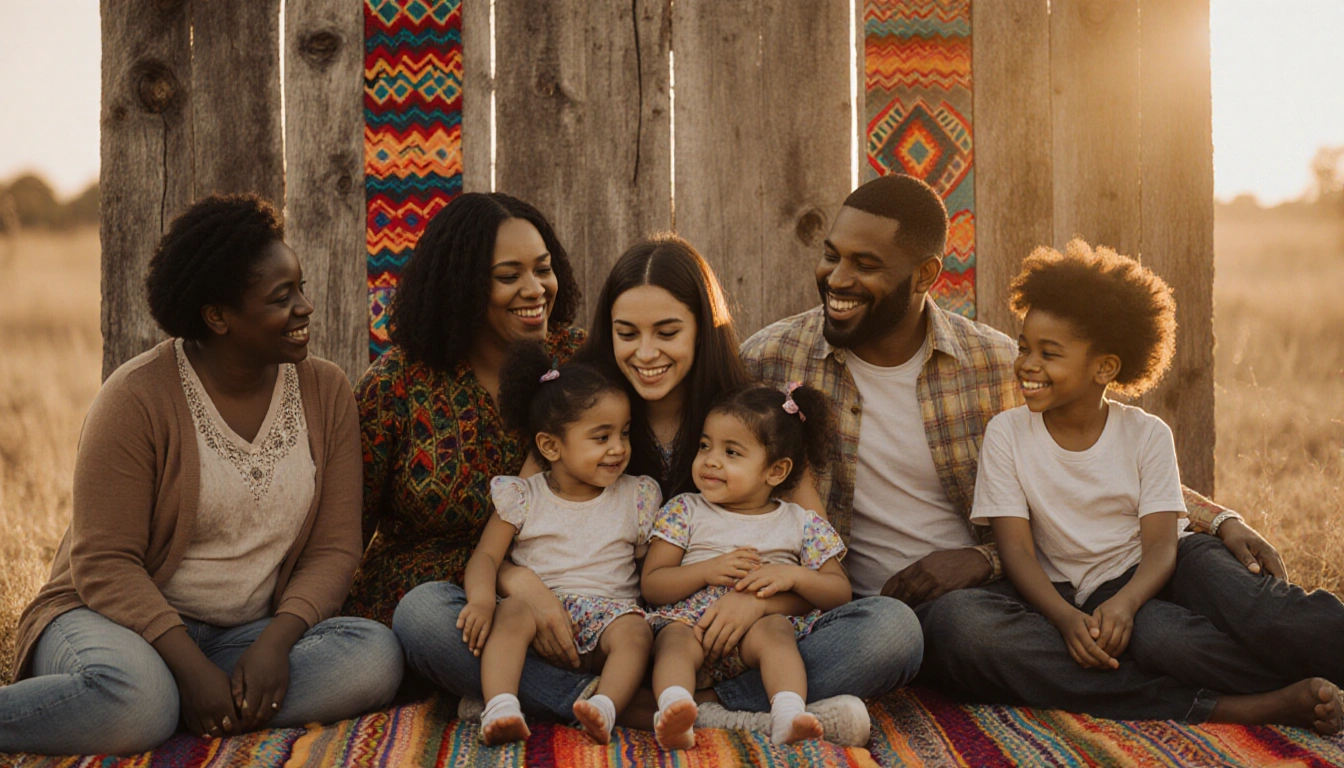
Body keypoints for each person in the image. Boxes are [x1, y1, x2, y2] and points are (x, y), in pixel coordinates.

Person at [740, 172, 1304, 722]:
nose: (837, 278)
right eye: (832, 255)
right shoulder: (772, 360)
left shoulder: (992, 364)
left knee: (976, 626)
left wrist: (1218, 518)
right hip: (855, 613)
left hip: (994, 591)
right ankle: (1211, 703)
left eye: (865, 265)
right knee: (938, 635)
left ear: (924, 275)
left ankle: (1229, 683)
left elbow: (1103, 454)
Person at [396, 234, 919, 746]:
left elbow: (814, 557)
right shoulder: (582, 407)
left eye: (667, 332)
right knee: (423, 616)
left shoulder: (748, 416)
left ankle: (601, 702)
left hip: (730, 642)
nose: (646, 353)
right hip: (595, 632)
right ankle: (716, 713)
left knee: (893, 630)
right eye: (627, 333)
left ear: (702, 330)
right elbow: (518, 528)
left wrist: (760, 604)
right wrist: (526, 587)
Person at [0, 194, 402, 756]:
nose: (306, 307)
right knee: (141, 702)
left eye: (301, 288)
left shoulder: (326, 391)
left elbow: (336, 548)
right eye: (282, 297)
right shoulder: (137, 398)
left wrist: (274, 647)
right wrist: (187, 668)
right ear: (218, 316)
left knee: (374, 656)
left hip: (242, 638)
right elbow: (103, 562)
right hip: (112, 622)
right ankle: (173, 700)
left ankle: (198, 703)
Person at [972, 240, 1342, 734]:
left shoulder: (1146, 433)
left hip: (1175, 562)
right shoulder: (1006, 434)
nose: (1027, 364)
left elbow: (1163, 544)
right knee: (1165, 642)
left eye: (1049, 353)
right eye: (1024, 347)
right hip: (1091, 591)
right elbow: (1015, 549)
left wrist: (1128, 600)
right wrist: (1064, 618)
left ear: (1105, 367)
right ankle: (1292, 693)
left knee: (1261, 612)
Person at [344, 192, 585, 626]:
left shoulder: (580, 361)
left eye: (543, 269)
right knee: (427, 621)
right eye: (509, 276)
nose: (535, 290)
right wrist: (503, 577)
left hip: (567, 592)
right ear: (462, 287)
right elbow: (347, 531)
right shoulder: (396, 384)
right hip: (435, 604)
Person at [458, 343, 660, 745]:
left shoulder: (636, 495)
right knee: (510, 614)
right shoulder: (522, 497)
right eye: (601, 437)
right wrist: (480, 601)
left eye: (623, 433)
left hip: (609, 620)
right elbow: (485, 556)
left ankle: (603, 706)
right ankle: (500, 705)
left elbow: (647, 571)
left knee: (636, 634)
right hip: (538, 621)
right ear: (551, 446)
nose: (618, 448)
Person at [643, 383, 849, 749]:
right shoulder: (685, 510)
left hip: (758, 637)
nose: (710, 459)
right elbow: (653, 585)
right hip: (694, 626)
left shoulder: (800, 522)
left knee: (776, 634)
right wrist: (705, 571)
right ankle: (675, 709)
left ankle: (787, 712)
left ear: (775, 471)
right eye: (705, 446)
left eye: (732, 452)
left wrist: (795, 575)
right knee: (672, 641)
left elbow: (839, 591)